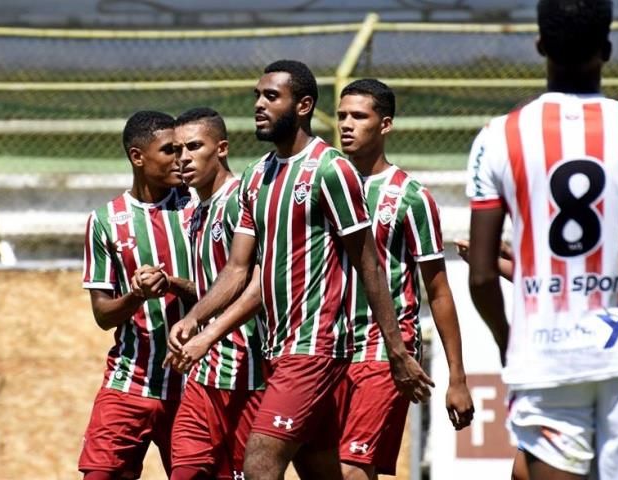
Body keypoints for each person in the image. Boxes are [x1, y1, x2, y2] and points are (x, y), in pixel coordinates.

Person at [465, 1, 618, 479]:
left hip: (544, 354)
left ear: (540, 46)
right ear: (606, 48)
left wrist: (508, 343)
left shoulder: (498, 137)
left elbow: (480, 276)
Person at [170, 60, 433, 480]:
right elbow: (240, 271)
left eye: (271, 97)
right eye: (257, 95)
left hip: (317, 347)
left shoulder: (331, 169)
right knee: (322, 472)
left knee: (260, 462)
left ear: (304, 105)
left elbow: (369, 264)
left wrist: (397, 352)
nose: (259, 105)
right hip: (277, 348)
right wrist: (196, 319)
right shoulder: (257, 176)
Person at [334, 79, 474, 479]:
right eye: (342, 115)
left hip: (384, 350)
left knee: (352, 469)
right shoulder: (325, 184)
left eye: (359, 116)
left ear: (385, 125)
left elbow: (438, 289)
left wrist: (457, 379)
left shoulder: (410, 197)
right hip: (325, 347)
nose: (346, 124)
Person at [79, 110, 197, 480]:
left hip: (194, 385)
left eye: (183, 149)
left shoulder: (200, 208)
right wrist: (135, 295)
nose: (182, 159)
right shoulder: (106, 220)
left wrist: (175, 284)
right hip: (129, 381)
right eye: (169, 151)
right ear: (137, 156)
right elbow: (103, 315)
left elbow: (230, 287)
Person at [165, 107, 265, 480]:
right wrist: (176, 286)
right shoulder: (196, 212)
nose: (183, 158)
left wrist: (202, 329)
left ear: (221, 148)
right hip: (202, 376)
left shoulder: (242, 200)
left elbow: (258, 284)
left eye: (193, 146)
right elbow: (213, 288)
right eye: (176, 150)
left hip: (247, 373)